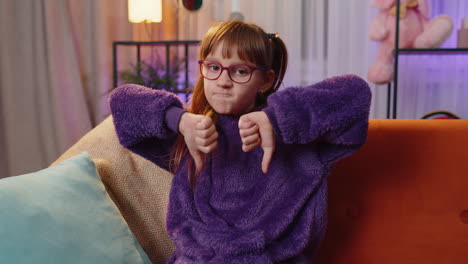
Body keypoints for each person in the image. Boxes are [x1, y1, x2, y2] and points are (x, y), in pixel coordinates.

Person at [110, 20, 371, 263]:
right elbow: (122, 101)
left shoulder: (297, 137)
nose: (223, 82)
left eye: (240, 71)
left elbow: (355, 94)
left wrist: (278, 120)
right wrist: (178, 119)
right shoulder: (193, 133)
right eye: (213, 67)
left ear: (265, 80)